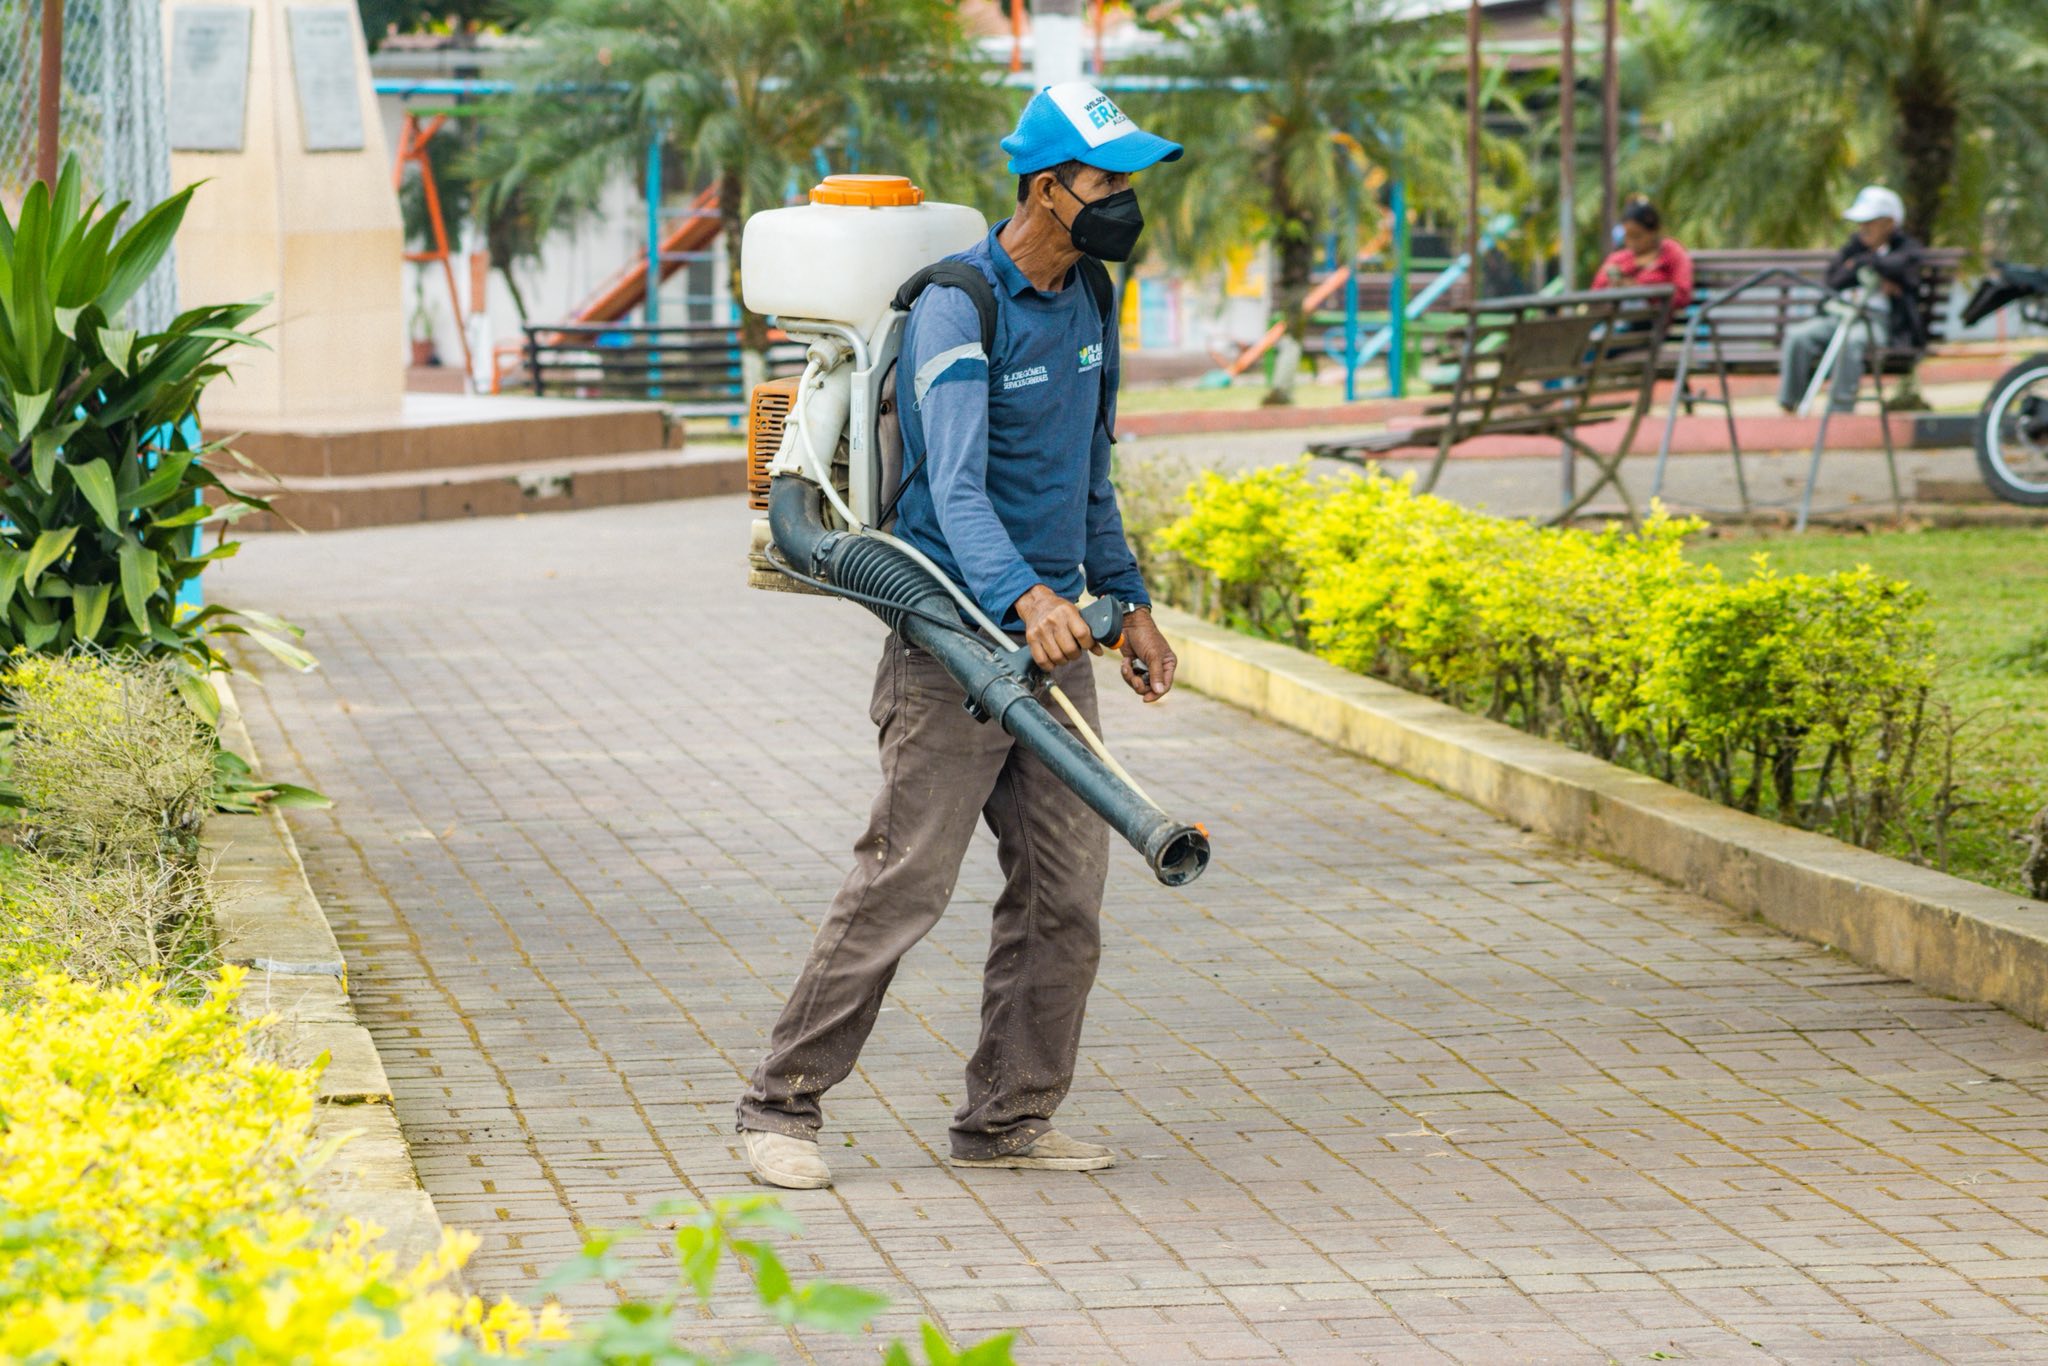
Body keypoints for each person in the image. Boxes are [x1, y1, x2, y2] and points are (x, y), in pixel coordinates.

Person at [734, 83, 1185, 1190]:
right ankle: (778, 1108)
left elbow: (1088, 471)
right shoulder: (959, 303)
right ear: (1045, 189)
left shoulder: (1091, 297)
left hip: (1056, 648)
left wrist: (1126, 600)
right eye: (1106, 182)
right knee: (903, 885)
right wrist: (1024, 598)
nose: (1123, 202)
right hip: (950, 643)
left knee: (1065, 899)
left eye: (1128, 181)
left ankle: (1007, 1118)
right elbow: (960, 486)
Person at [1778, 185, 1928, 414]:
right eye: (1861, 222)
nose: (1863, 228)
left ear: (1889, 223)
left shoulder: (1907, 249)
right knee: (1798, 336)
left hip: (1878, 322)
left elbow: (1903, 271)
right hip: (1841, 315)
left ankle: (1839, 413)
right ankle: (1790, 404)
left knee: (1851, 342)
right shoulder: (1853, 248)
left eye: (1870, 222)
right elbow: (1833, 279)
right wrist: (1867, 268)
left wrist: (1862, 266)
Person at [1593, 197, 1694, 310]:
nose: (1630, 242)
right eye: (1627, 236)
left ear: (1654, 232)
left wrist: (1640, 290)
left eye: (1637, 236)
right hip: (1614, 316)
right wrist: (1619, 279)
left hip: (1654, 317)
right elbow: (1596, 292)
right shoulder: (1619, 258)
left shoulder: (1672, 252)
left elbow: (1683, 295)